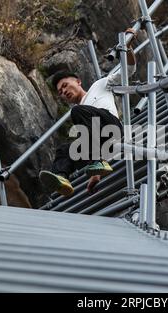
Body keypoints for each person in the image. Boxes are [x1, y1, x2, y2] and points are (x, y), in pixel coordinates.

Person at [39, 28, 138, 197]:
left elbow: (128, 71)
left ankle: (97, 160)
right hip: (99, 144)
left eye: (65, 86)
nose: (64, 92)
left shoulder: (99, 85)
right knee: (64, 150)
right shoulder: (77, 112)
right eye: (61, 93)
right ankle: (62, 178)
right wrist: (96, 174)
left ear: (77, 81)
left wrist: (128, 47)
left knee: (78, 112)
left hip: (111, 128)